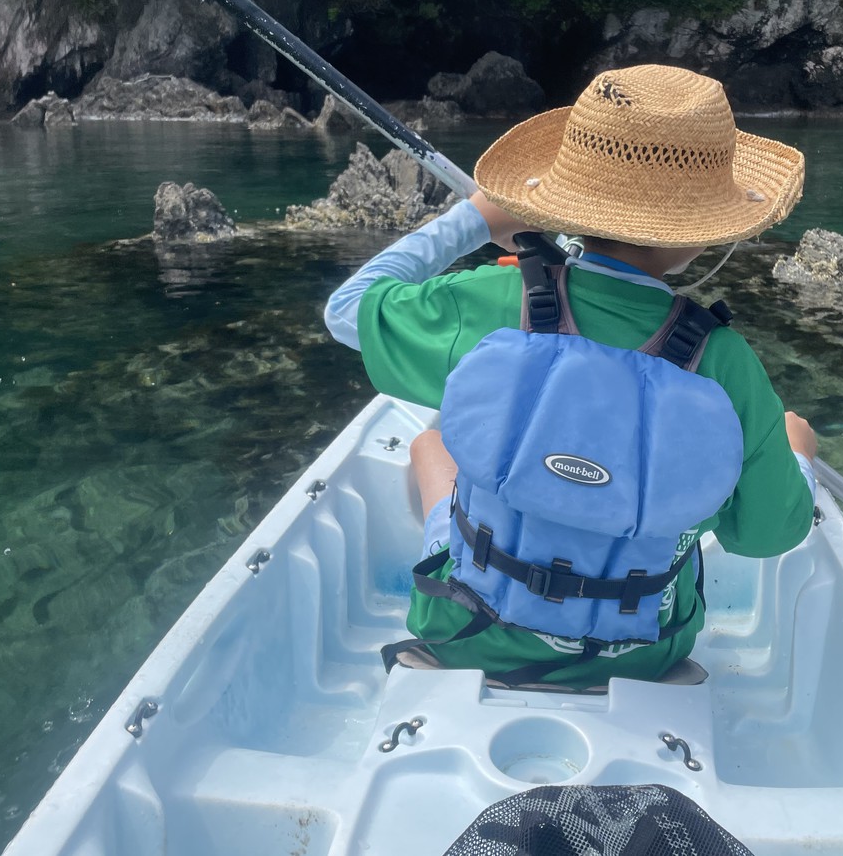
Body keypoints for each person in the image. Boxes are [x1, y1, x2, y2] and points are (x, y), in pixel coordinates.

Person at [326, 63, 817, 688]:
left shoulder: (492, 303)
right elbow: (768, 534)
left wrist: (476, 218)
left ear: (560, 199)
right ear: (703, 233)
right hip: (646, 654)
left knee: (432, 443)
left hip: (463, 630)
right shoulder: (724, 362)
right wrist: (796, 453)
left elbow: (346, 309)